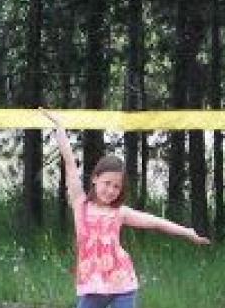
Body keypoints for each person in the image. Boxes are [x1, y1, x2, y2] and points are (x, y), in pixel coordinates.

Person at [42, 110, 210, 308]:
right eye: (107, 183)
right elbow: (70, 164)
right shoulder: (80, 204)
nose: (111, 190)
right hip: (92, 286)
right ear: (95, 178)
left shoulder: (120, 212)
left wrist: (187, 232)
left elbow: (155, 222)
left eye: (116, 187)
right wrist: (60, 128)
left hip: (123, 284)